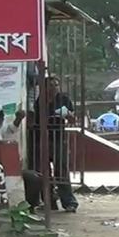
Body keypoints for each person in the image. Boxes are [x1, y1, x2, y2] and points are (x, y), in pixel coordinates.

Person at [33, 75, 79, 213]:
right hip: (42, 139)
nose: (54, 88)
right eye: (51, 86)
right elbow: (36, 119)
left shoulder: (64, 100)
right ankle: (49, 201)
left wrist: (70, 118)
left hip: (59, 137)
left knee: (62, 171)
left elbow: (72, 119)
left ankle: (69, 202)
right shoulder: (39, 101)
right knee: (43, 172)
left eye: (56, 85)